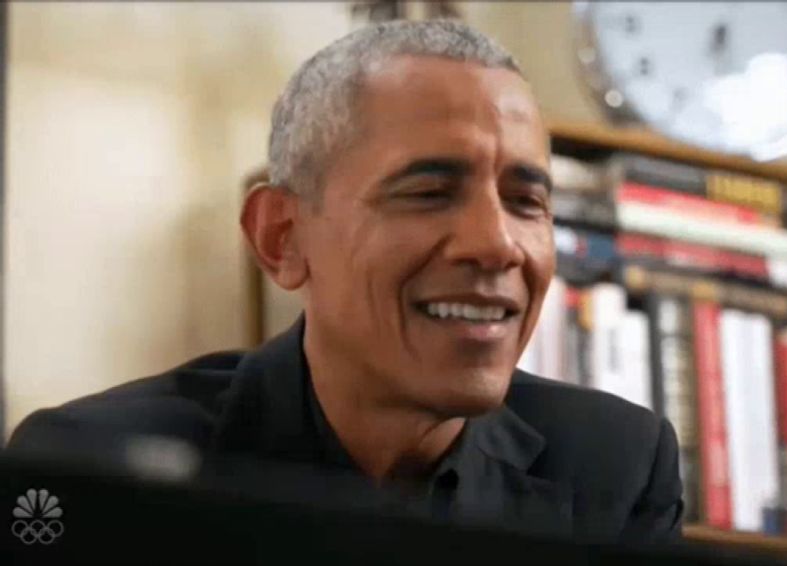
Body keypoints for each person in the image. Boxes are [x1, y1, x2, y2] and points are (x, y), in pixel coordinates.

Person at [9, 19, 683, 545]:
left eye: (527, 201)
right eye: (428, 191)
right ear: (283, 238)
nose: (497, 244)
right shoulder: (93, 469)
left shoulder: (613, 469)